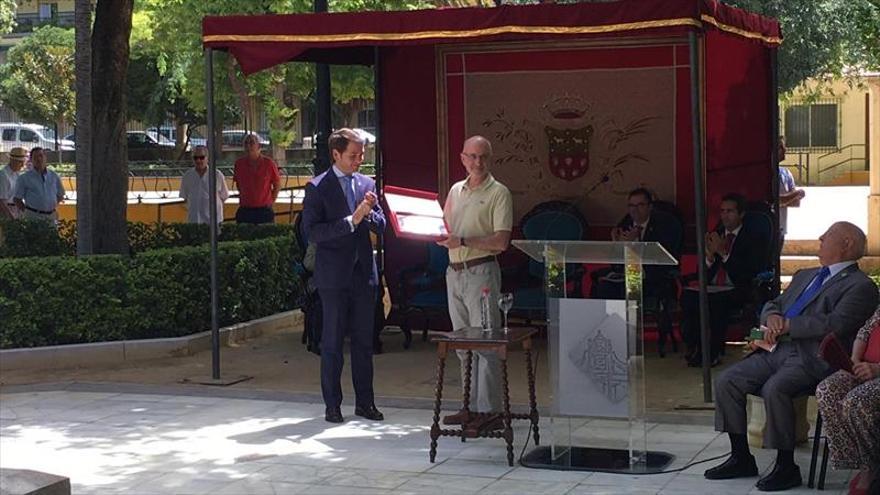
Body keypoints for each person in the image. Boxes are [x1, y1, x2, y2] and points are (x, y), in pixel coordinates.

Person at [705, 221, 878, 492]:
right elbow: (775, 303)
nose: (820, 237)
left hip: (812, 357)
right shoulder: (805, 274)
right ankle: (740, 457)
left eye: (828, 235)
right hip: (777, 349)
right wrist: (773, 316)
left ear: (847, 244)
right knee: (728, 380)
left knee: (776, 388)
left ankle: (786, 466)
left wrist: (788, 326)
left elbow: (836, 324)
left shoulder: (861, 286)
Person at [301, 128, 386, 424]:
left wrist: (371, 213)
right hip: (334, 276)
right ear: (336, 154)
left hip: (364, 274)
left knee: (365, 341)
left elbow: (382, 225)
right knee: (333, 342)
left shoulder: (366, 182)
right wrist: (352, 220)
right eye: (353, 155)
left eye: (362, 154)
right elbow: (312, 232)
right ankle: (332, 405)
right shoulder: (317, 187)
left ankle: (366, 403)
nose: (359, 160)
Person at [436, 135, 513, 428]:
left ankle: (489, 412)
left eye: (483, 157)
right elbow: (443, 226)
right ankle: (468, 407)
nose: (478, 162)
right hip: (454, 271)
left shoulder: (499, 193)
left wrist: (464, 239)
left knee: (485, 343)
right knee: (462, 343)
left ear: (489, 159)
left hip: (481, 272)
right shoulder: (456, 190)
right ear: (462, 158)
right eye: (472, 156)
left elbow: (502, 241)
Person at [591, 187, 682, 356]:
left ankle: (631, 341)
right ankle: (611, 339)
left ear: (650, 207)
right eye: (631, 206)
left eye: (640, 205)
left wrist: (636, 243)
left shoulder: (666, 223)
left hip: (656, 278)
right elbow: (616, 264)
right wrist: (617, 246)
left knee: (632, 289)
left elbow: (664, 256)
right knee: (604, 288)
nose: (635, 210)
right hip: (628, 276)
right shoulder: (625, 222)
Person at [681, 193, 767, 367]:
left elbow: (749, 271)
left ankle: (713, 352)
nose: (725, 215)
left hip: (739, 286)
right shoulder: (716, 235)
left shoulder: (752, 237)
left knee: (716, 302)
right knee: (689, 297)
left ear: (741, 214)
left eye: (730, 211)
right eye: (722, 211)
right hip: (714, 285)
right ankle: (695, 347)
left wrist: (723, 253)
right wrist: (709, 258)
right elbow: (702, 273)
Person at [816, 305, 880, 495]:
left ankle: (870, 468)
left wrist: (877, 369)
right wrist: (854, 361)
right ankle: (858, 461)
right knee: (826, 390)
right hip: (865, 367)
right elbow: (865, 332)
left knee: (855, 401)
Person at [233, 133, 280, 224]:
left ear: (259, 146)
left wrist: (270, 201)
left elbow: (277, 185)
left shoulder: (269, 163)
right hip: (245, 210)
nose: (248, 145)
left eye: (251, 142)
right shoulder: (239, 164)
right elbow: (239, 185)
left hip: (264, 210)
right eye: (246, 143)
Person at [13, 147, 65, 224]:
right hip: (33, 217)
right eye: (35, 157)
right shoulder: (24, 178)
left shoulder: (54, 176)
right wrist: (29, 212)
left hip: (51, 217)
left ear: (45, 158)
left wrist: (49, 206)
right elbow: (17, 199)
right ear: (31, 160)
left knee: (51, 236)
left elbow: (60, 195)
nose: (39, 159)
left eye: (41, 156)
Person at [179, 145, 229, 225]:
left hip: (213, 221)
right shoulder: (187, 176)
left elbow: (224, 196)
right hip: (194, 220)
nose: (198, 160)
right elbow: (184, 197)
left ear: (207, 158)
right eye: (195, 158)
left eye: (201, 157)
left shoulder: (217, 175)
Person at [777, 137, 805, 253]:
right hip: (770, 228)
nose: (785, 150)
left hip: (781, 228)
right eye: (781, 147)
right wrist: (797, 193)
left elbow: (796, 202)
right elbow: (774, 199)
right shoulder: (766, 173)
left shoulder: (786, 173)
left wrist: (785, 199)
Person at [0, 147, 27, 219]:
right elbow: (1, 201)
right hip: (7, 210)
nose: (22, 165)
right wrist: (10, 217)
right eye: (20, 162)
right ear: (12, 160)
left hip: (17, 209)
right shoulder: (3, 175)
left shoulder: (17, 174)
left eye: (23, 162)